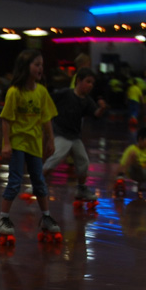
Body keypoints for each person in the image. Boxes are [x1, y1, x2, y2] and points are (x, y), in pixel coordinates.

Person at [0, 49, 59, 241]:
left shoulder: (41, 91)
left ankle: (46, 217)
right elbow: (6, 119)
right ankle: (2, 218)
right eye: (36, 64)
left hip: (34, 143)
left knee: (39, 180)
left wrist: (51, 139)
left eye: (41, 65)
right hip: (18, 142)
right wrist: (6, 143)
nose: (40, 68)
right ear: (25, 67)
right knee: (15, 181)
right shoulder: (14, 92)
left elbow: (46, 117)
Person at [44, 67, 107, 202]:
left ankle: (81, 189)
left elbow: (95, 114)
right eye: (88, 82)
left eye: (92, 83)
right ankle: (37, 184)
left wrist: (101, 108)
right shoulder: (66, 94)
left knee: (83, 163)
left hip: (75, 137)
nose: (90, 85)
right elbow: (48, 101)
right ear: (78, 81)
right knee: (55, 159)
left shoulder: (87, 100)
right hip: (61, 133)